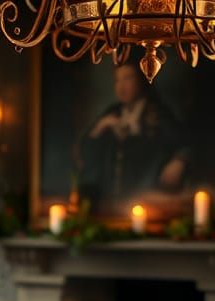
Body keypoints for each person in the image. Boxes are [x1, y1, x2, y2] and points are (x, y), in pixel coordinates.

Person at [77, 63, 191, 207]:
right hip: (111, 198)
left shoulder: (157, 113)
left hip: (144, 195)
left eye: (128, 78)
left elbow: (184, 143)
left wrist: (179, 160)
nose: (121, 86)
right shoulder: (113, 112)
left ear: (142, 80)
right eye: (117, 80)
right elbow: (85, 150)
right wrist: (100, 128)